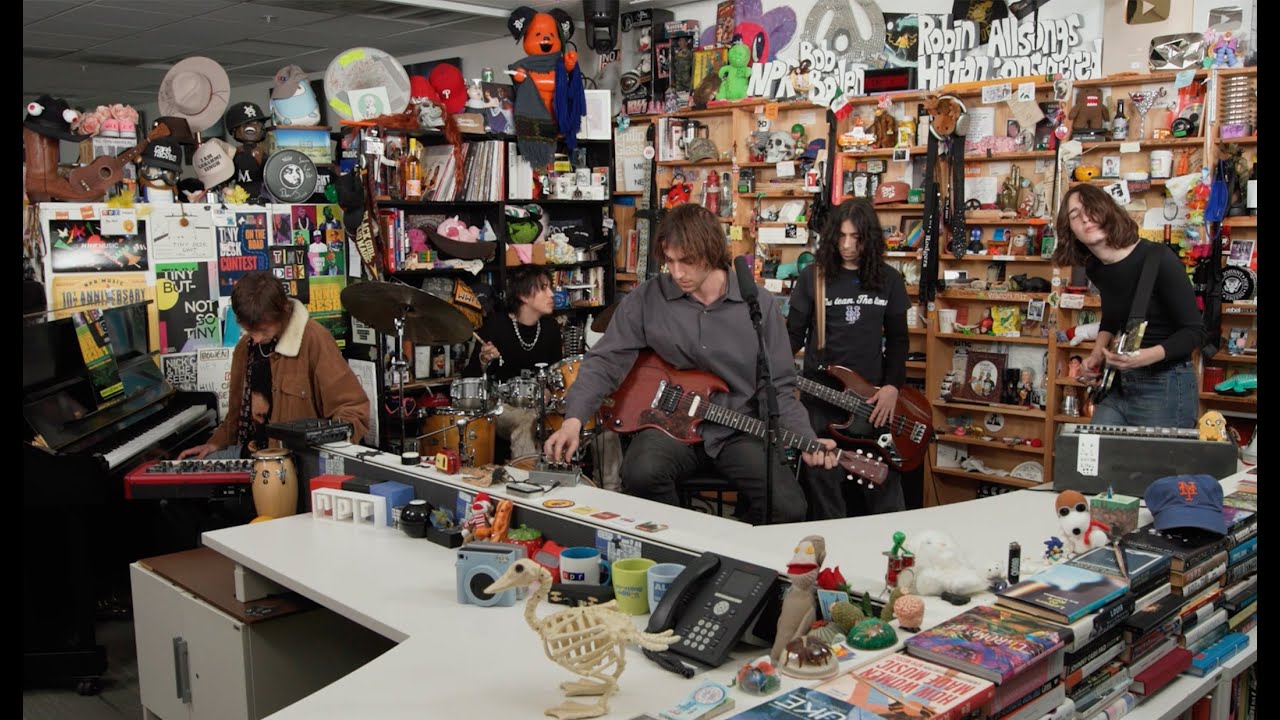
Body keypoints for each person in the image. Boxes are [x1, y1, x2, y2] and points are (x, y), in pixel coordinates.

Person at [544, 204, 837, 525]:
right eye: (669, 261)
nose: (677, 272)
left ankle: (739, 557)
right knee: (640, 473)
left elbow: (780, 386)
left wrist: (805, 436)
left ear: (711, 253)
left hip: (737, 428)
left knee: (789, 507)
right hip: (666, 425)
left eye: (687, 261)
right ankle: (680, 547)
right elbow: (605, 360)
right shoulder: (647, 298)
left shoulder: (757, 304)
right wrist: (574, 419)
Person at [787, 198, 909, 519]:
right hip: (821, 404)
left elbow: (898, 340)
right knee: (824, 491)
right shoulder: (814, 277)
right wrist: (772, 365)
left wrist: (892, 387)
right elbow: (792, 337)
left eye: (856, 237)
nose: (847, 245)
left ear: (869, 238)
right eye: (841, 236)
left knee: (885, 494)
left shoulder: (889, 280)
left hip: (872, 407)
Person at [1053, 184, 1203, 428]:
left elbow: (1194, 332)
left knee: (1152, 466)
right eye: (1074, 215)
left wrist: (1144, 357)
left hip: (1164, 384)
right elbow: (1113, 316)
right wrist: (1096, 354)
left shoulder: (1159, 259)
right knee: (1093, 461)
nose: (1085, 218)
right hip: (1118, 383)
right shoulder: (1096, 268)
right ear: (1071, 231)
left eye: (1091, 209)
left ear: (1108, 211)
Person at [179, 270, 370, 459]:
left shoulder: (315, 340)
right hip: (254, 456)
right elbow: (235, 417)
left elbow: (353, 409)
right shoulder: (244, 348)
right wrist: (215, 443)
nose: (255, 337)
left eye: (262, 330)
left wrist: (323, 452)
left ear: (283, 312)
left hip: (296, 463)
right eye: (248, 329)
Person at [464, 264, 563, 459]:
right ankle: (526, 481)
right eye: (543, 288)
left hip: (539, 405)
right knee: (527, 421)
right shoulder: (496, 325)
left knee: (594, 417)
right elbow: (471, 378)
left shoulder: (550, 327)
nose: (552, 294)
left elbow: (556, 373)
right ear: (524, 296)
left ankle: (611, 486)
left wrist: (549, 390)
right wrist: (483, 360)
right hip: (503, 407)